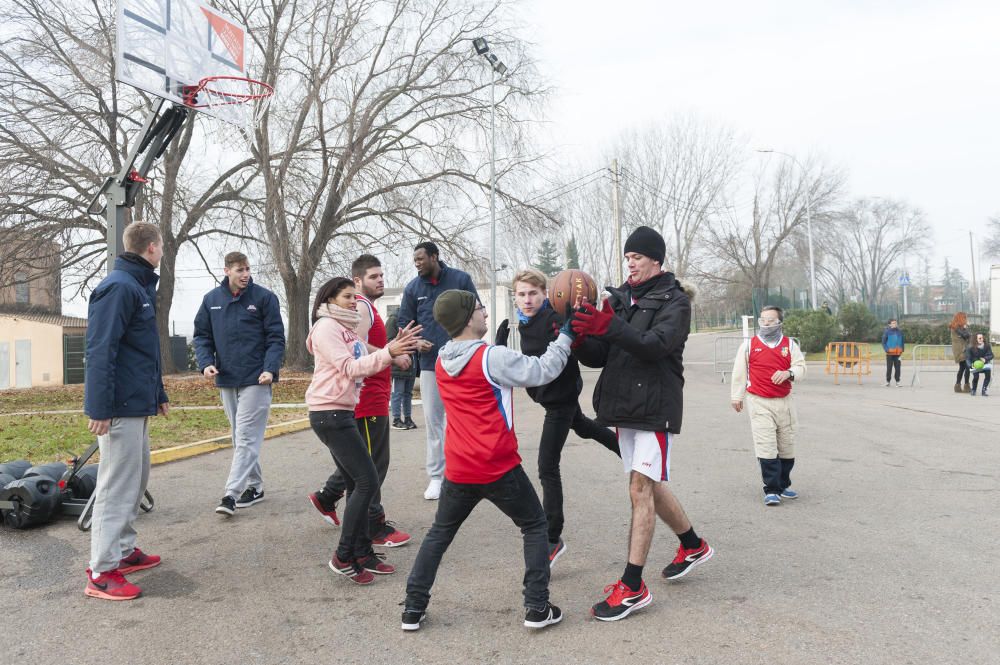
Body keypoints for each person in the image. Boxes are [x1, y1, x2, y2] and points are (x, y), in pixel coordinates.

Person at [401, 290, 571, 632]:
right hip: (497, 465)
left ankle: (413, 608)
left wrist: (495, 347)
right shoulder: (490, 357)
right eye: (479, 308)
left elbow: (479, 378)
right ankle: (537, 607)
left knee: (439, 534)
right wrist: (566, 335)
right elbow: (543, 370)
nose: (485, 312)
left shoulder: (441, 359)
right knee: (535, 526)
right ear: (467, 318)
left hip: (460, 467)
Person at [571, 225, 713, 622]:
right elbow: (602, 355)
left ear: (656, 260)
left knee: (639, 488)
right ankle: (692, 544)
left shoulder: (675, 301)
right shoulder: (618, 299)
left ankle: (633, 587)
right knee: (647, 483)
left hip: (655, 406)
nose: (630, 262)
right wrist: (581, 338)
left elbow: (655, 346)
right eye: (627, 256)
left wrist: (609, 326)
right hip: (624, 405)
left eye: (637, 256)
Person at [495, 268, 620, 566]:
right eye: (521, 294)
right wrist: (498, 350)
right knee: (585, 427)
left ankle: (553, 538)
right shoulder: (526, 322)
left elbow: (577, 346)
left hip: (559, 399)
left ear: (545, 294)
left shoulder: (552, 319)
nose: (527, 300)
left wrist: (577, 326)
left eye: (533, 294)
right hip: (552, 397)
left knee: (547, 466)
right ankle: (625, 448)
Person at [305, 277, 422, 585]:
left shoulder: (344, 329)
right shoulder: (326, 328)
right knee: (366, 480)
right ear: (328, 300)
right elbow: (350, 367)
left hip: (341, 411)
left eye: (355, 299)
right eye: (347, 297)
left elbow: (365, 352)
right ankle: (344, 556)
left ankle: (361, 553)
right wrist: (389, 352)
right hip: (328, 413)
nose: (354, 303)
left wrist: (395, 349)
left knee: (358, 484)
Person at [82, 222, 169, 600]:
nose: (162, 250)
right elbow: (101, 350)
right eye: (161, 245)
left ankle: (122, 551)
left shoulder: (138, 286)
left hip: (137, 401)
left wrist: (158, 393)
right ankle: (101, 571)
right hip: (117, 406)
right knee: (116, 486)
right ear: (151, 248)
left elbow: (142, 351)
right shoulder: (119, 287)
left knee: (136, 478)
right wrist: (100, 407)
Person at [193, 251, 285, 517]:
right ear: (226, 271)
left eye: (247, 269)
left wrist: (270, 369)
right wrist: (205, 363)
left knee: (245, 437)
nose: (245, 275)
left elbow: (276, 338)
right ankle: (255, 487)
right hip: (227, 378)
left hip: (257, 378)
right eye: (239, 270)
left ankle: (230, 494)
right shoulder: (211, 300)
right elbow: (201, 336)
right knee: (241, 436)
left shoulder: (264, 298)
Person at [397, 241, 480, 500]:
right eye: (415, 260)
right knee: (434, 422)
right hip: (432, 364)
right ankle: (437, 476)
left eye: (421, 258)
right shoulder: (413, 288)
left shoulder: (460, 279)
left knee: (464, 419)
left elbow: (478, 313)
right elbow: (404, 324)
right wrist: (415, 343)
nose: (417, 263)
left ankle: (467, 471)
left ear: (434, 256)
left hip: (465, 360)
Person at [730, 306, 807, 506]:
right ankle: (771, 489)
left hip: (785, 403)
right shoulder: (749, 345)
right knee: (766, 445)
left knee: (786, 447)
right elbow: (739, 372)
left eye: (770, 320)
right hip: (759, 401)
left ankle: (783, 485)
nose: (766, 324)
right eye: (763, 320)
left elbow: (801, 367)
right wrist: (736, 396)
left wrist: (789, 372)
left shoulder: (789, 344)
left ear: (779, 322)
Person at [386, 311, 418, 431]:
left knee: (408, 394)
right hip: (398, 365)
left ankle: (408, 418)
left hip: (412, 364)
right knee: (397, 393)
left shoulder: (414, 318)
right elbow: (388, 341)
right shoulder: (393, 319)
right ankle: (396, 419)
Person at [949, 312, 972, 393]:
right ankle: (966, 386)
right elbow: (966, 335)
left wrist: (966, 328)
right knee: (967, 367)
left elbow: (968, 336)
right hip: (960, 350)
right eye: (965, 318)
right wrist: (966, 328)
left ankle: (958, 386)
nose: (966, 319)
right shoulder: (956, 327)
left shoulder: (959, 326)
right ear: (961, 318)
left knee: (962, 368)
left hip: (962, 349)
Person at [966, 332, 993, 397]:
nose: (981, 339)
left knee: (988, 376)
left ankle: (984, 390)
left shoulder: (987, 346)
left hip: (985, 364)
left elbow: (991, 355)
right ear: (976, 339)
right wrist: (970, 366)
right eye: (980, 338)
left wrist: (985, 359)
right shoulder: (970, 347)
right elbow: (968, 358)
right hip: (974, 364)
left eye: (982, 338)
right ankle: (974, 390)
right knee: (976, 377)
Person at [881, 318, 904, 387]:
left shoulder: (900, 332)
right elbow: (883, 342)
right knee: (889, 368)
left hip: (898, 353)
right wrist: (887, 349)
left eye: (895, 323)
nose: (895, 324)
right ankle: (888, 381)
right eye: (893, 323)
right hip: (890, 353)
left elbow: (902, 341)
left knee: (898, 368)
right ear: (889, 324)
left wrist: (902, 350)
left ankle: (898, 382)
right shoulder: (887, 332)